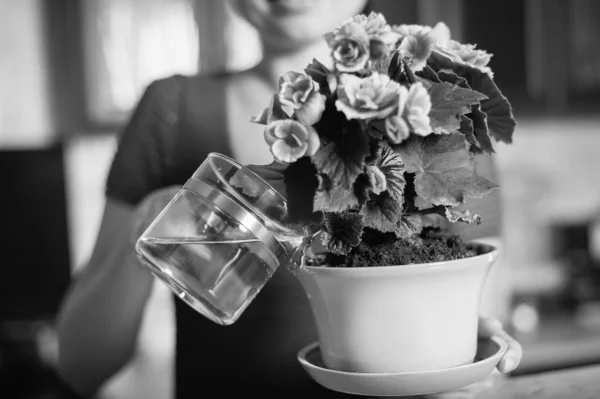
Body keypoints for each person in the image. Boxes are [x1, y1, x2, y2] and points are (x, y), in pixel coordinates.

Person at [55, 0, 522, 397]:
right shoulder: (171, 112)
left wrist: (472, 363)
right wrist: (145, 231)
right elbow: (80, 366)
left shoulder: (438, 111)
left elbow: (485, 339)